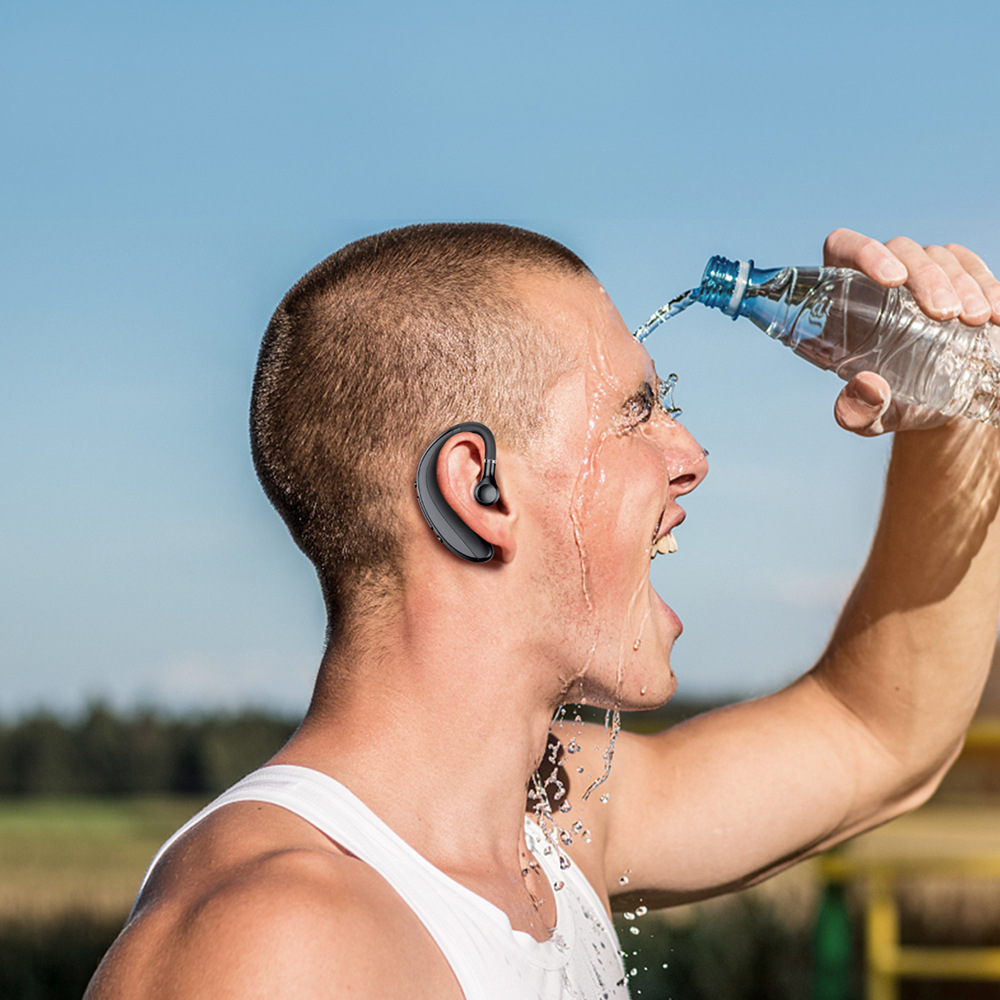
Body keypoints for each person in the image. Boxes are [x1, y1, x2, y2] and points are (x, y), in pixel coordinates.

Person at [86, 224, 1000, 999]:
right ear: (481, 490)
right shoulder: (270, 947)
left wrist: (957, 405)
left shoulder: (553, 826)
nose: (690, 457)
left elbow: (878, 734)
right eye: (639, 410)